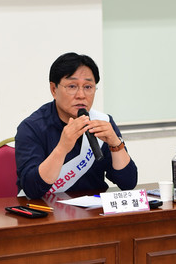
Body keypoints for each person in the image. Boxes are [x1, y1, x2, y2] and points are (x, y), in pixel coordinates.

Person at [15, 52, 138, 199]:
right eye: (72, 86)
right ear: (54, 89)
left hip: (94, 208)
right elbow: (32, 189)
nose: (81, 95)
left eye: (88, 87)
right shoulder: (31, 128)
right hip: (47, 209)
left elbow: (128, 183)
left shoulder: (102, 121)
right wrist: (62, 148)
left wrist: (115, 144)